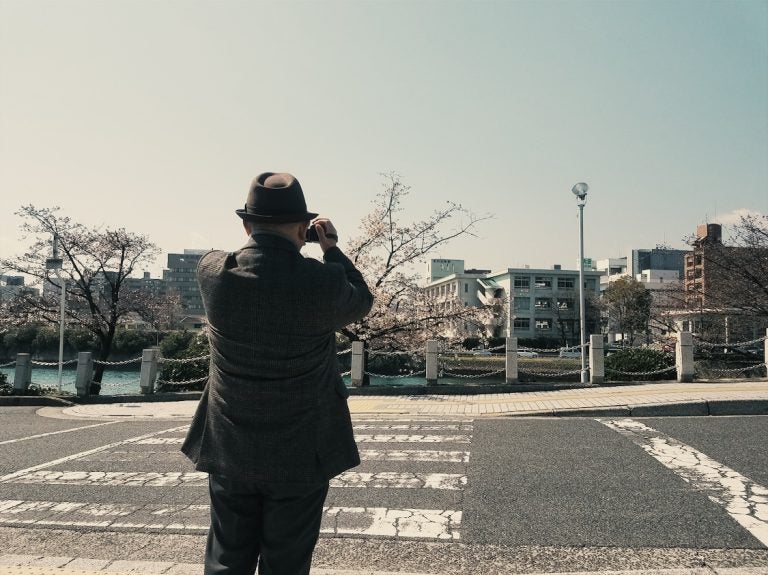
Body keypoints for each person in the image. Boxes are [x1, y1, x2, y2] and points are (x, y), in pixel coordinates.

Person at [181, 172, 374, 575]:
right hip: (303, 448)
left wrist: (263, 236)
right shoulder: (322, 283)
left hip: (230, 443)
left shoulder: (213, 274)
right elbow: (362, 299)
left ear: (246, 224)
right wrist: (332, 251)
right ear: (305, 228)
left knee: (225, 558)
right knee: (286, 563)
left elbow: (237, 253)